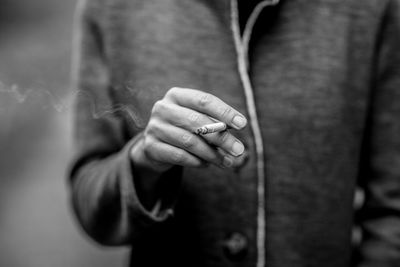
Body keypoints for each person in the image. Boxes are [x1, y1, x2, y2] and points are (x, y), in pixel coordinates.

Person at [68, 0, 400, 266]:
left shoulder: (371, 9)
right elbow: (88, 201)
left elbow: (392, 204)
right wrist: (143, 163)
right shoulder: (110, 8)